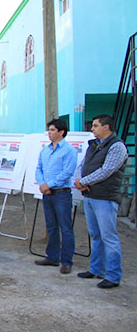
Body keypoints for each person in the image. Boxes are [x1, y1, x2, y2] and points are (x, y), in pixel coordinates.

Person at [75, 114, 127, 289]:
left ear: (106, 127)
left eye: (95, 126)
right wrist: (78, 181)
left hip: (105, 198)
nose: (92, 129)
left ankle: (113, 276)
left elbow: (107, 170)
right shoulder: (94, 145)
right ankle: (96, 269)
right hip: (90, 196)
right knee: (95, 235)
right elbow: (82, 166)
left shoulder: (117, 147)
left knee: (108, 237)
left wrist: (84, 182)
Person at [34, 119, 77, 274]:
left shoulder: (69, 150)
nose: (49, 133)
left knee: (65, 228)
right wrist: (42, 184)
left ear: (61, 132)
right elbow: (39, 168)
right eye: (49, 130)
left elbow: (67, 173)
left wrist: (49, 184)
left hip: (61, 194)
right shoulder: (45, 150)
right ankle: (52, 257)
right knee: (51, 226)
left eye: (52, 130)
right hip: (47, 194)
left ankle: (67, 261)